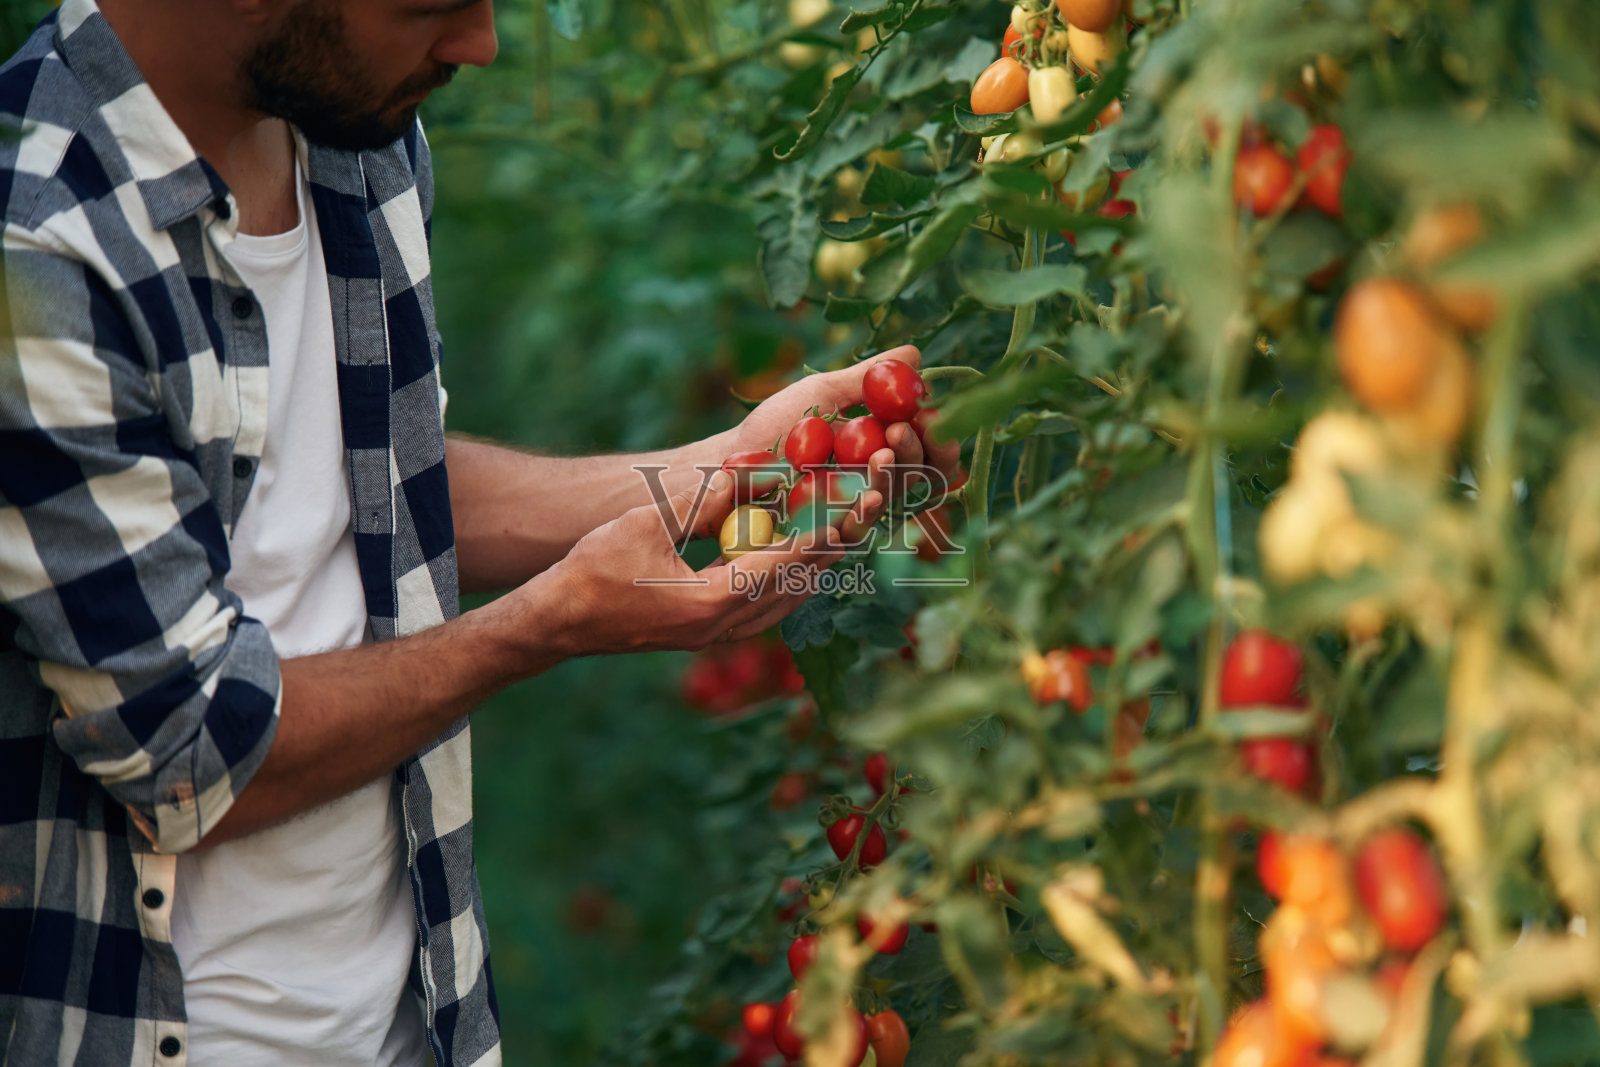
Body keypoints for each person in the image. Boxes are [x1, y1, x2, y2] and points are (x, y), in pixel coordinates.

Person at [0, 0, 960, 1064]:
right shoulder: (34, 244)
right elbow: (187, 749)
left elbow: (375, 479)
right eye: (432, 5)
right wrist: (544, 625)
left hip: (421, 1017)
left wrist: (724, 470)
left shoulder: (357, 130)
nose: (480, 44)